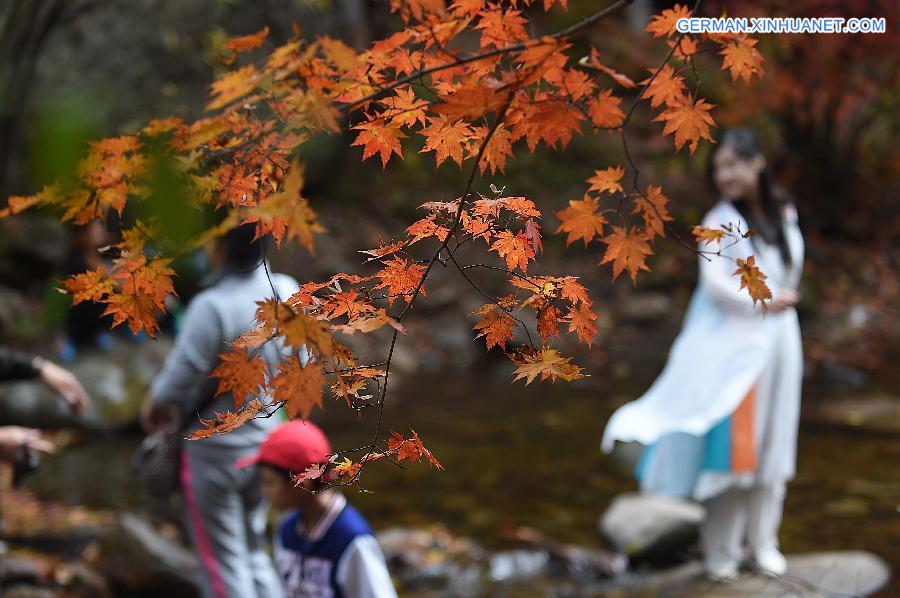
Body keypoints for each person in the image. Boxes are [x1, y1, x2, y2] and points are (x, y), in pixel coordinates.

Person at [601, 128, 804, 581]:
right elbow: (715, 285)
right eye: (719, 169)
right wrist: (763, 301)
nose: (725, 175)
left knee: (775, 442)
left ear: (757, 163)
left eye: (733, 164)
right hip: (738, 345)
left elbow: (791, 269)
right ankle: (722, 550)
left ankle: (764, 541)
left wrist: (777, 305)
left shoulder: (783, 214)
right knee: (736, 446)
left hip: (782, 341)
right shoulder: (717, 222)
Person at [140, 223, 298, 598]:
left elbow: (180, 377)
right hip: (268, 446)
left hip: (215, 454)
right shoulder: (288, 291)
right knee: (255, 548)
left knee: (222, 562)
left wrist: (154, 404)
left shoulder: (212, 306)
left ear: (219, 250)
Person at [237, 420, 398, 598]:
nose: (263, 491)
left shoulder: (352, 540)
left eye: (269, 482)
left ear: (302, 482)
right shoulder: (287, 529)